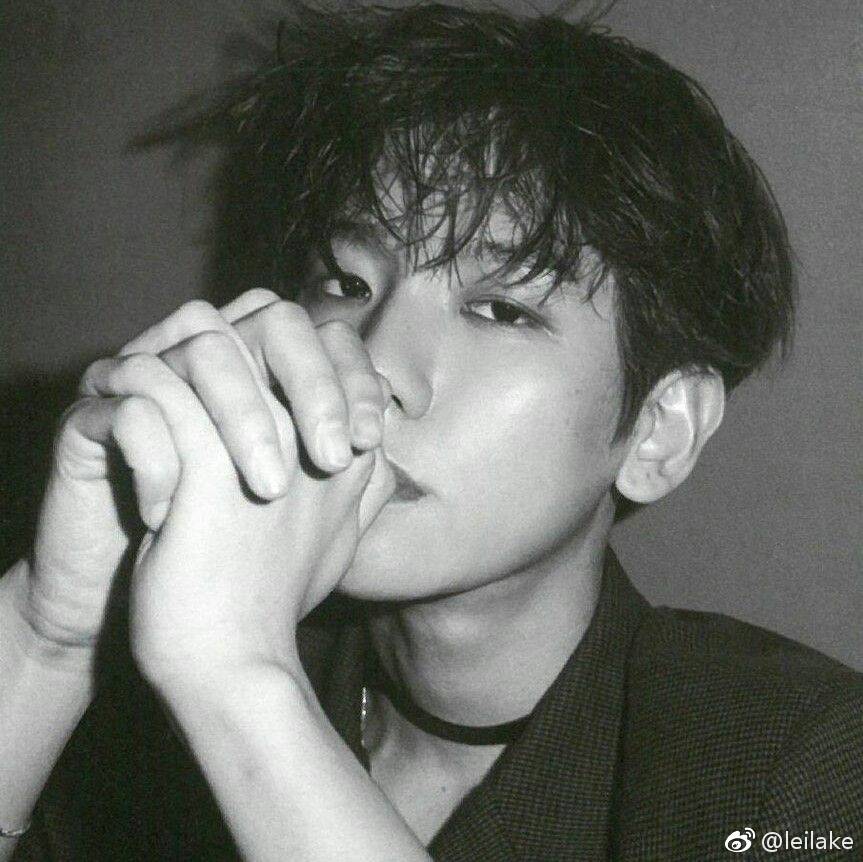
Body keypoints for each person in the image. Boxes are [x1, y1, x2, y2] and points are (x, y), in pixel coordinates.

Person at [1, 3, 861, 860]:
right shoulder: (154, 680)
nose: (373, 363)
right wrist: (50, 631)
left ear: (658, 432)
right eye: (345, 283)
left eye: (501, 310)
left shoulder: (795, 764)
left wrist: (241, 681)